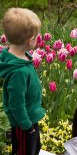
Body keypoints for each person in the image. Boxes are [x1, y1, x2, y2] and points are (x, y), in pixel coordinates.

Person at [0, 8, 45, 155]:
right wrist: (26, 126)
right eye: (36, 36)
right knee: (24, 152)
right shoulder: (18, 72)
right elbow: (16, 103)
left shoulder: (22, 58)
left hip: (29, 118)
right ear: (30, 40)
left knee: (34, 149)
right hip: (23, 124)